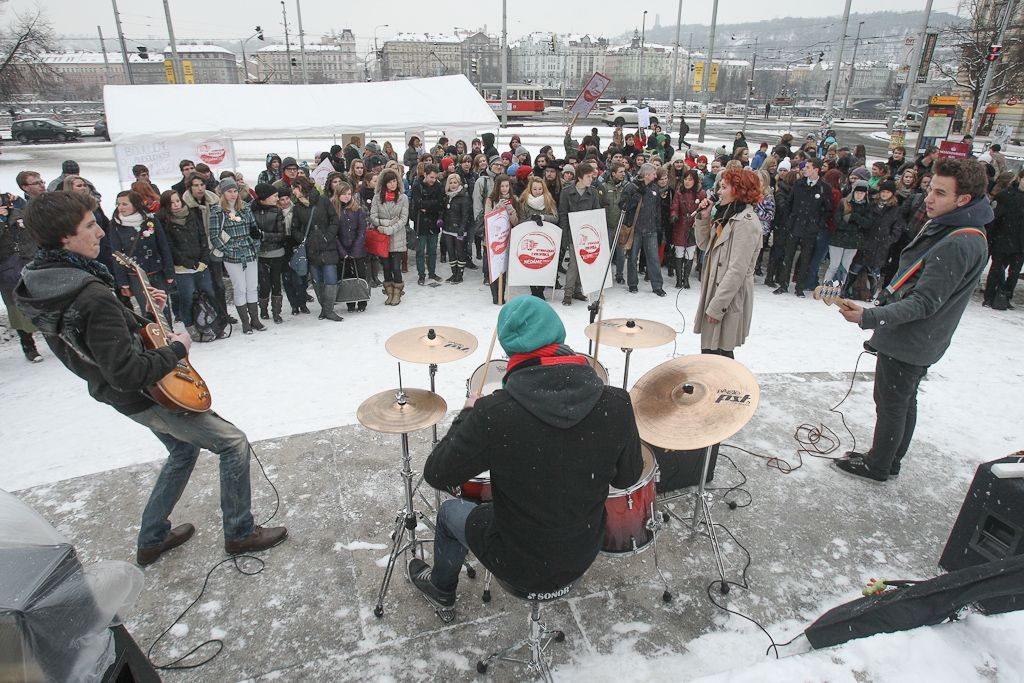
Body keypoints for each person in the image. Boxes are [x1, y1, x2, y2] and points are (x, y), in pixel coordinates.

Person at [15, 191, 287, 564]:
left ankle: (152, 536)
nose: (100, 233)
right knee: (233, 444)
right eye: (91, 225)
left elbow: (99, 340)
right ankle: (240, 532)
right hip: (148, 394)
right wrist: (176, 350)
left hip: (115, 392)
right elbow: (127, 371)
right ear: (65, 237)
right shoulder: (89, 292)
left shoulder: (46, 280)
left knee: (183, 449)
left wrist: (141, 317)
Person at [408, 295, 644, 617]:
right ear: (558, 336)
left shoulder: (494, 414)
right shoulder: (616, 403)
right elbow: (628, 477)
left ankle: (441, 587)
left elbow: (437, 473)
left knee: (450, 513)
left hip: (518, 562)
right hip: (584, 549)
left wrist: (467, 415)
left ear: (509, 352)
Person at [834, 158, 991, 482]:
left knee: (892, 403)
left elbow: (924, 302)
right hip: (922, 339)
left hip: (912, 339)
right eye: (930, 189)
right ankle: (889, 459)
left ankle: (878, 464)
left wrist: (870, 316)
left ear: (963, 200)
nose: (928, 198)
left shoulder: (960, 240)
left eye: (940, 193)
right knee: (903, 400)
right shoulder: (959, 227)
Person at [692, 169, 763, 357]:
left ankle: (724, 387)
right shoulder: (727, 214)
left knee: (720, 354)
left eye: (724, 187)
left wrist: (717, 307)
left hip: (728, 298)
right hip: (716, 290)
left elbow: (737, 270)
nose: (719, 192)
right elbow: (704, 244)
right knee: (710, 350)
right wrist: (704, 218)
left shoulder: (746, 222)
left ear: (739, 190)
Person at [155, 189, 219, 339]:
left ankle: (211, 322)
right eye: (171, 203)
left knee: (209, 293)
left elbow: (202, 236)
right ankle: (191, 326)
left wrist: (204, 259)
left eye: (177, 201)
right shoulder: (164, 222)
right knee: (187, 298)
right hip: (182, 268)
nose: (176, 205)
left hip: (200, 264)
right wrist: (189, 263)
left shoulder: (191, 214)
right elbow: (170, 247)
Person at [108, 190, 175, 327]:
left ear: (135, 204)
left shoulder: (150, 220)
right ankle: (155, 337)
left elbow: (163, 246)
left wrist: (169, 271)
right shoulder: (116, 225)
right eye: (118, 204)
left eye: (125, 204)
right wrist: (123, 282)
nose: (121, 207)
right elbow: (116, 254)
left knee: (163, 307)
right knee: (147, 310)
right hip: (136, 275)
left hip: (156, 271)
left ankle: (169, 335)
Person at [210, 178, 264, 333]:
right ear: (222, 193)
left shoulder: (245, 208)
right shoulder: (217, 211)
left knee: (252, 287)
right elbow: (214, 235)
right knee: (240, 288)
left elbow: (254, 229)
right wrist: (227, 250)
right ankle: (245, 322)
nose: (233, 195)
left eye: (235, 191)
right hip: (233, 253)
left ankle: (255, 319)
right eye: (229, 191)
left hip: (249, 251)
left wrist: (256, 245)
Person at [774, 158, 833, 297]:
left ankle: (799, 287)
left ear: (816, 170)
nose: (804, 169)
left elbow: (827, 210)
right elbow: (789, 204)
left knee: (805, 259)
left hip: (810, 229)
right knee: (787, 257)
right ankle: (783, 284)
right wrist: (790, 221)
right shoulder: (799, 184)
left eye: (808, 167)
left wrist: (817, 224)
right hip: (795, 226)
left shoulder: (824, 188)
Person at [181, 172, 232, 323]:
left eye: (202, 185)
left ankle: (223, 315)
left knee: (218, 284)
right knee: (201, 288)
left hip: (213, 245)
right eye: (196, 185)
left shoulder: (213, 200)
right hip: (195, 251)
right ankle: (206, 317)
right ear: (190, 187)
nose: (200, 188)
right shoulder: (185, 204)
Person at [290, 175, 342, 321]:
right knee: (317, 280)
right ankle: (324, 309)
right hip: (311, 249)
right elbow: (295, 229)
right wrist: (305, 240)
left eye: (294, 188)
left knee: (331, 278)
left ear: (301, 187)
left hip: (327, 246)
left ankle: (329, 310)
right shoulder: (298, 207)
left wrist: (327, 236)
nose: (293, 192)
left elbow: (334, 220)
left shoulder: (323, 200)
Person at [0, 190, 42, 361]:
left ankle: (56, 340)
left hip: (30, 266)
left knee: (42, 305)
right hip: (7, 272)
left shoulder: (21, 215)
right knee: (16, 309)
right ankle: (28, 346)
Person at [557, 162, 602, 304]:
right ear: (580, 178)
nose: (591, 179)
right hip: (573, 233)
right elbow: (562, 213)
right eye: (588, 176)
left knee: (584, 264)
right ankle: (568, 292)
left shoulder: (593, 192)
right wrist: (566, 232)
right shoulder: (566, 192)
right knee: (574, 264)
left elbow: (596, 212)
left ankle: (577, 290)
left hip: (588, 235)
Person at [619, 163, 666, 297]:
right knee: (632, 258)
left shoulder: (655, 188)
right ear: (646, 174)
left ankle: (657, 285)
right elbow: (623, 206)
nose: (656, 176)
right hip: (635, 229)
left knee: (654, 259)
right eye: (654, 174)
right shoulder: (631, 187)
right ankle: (633, 284)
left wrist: (658, 228)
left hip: (651, 230)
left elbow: (658, 210)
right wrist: (637, 194)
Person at [983, 169, 1023, 308]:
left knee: (1014, 273)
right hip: (1003, 238)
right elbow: (996, 219)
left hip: (1020, 242)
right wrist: (992, 238)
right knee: (996, 269)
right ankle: (989, 297)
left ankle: (1005, 296)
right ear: (1019, 179)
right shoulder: (1005, 196)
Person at [250, 183, 288, 324]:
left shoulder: (277, 212)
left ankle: (277, 312)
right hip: (260, 254)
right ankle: (263, 309)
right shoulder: (251, 211)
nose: (277, 199)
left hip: (276, 252)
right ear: (265, 197)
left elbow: (281, 234)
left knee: (276, 283)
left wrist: (263, 235)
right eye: (275, 196)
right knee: (264, 285)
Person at [370, 169, 409, 306]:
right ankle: (389, 292)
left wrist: (389, 229)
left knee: (396, 267)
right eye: (389, 182)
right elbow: (373, 216)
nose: (392, 184)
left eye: (394, 181)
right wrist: (387, 224)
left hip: (397, 236)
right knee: (386, 267)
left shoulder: (403, 198)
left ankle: (397, 292)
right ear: (384, 184)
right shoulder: (376, 198)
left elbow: (403, 219)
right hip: (383, 239)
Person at [822, 180, 871, 287]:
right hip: (838, 239)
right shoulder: (844, 202)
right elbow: (838, 221)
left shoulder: (867, 207)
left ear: (865, 194)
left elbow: (867, 223)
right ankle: (825, 285)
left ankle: (839, 287)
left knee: (845, 266)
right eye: (857, 192)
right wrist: (854, 226)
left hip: (854, 241)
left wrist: (854, 217)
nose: (859, 195)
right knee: (834, 265)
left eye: (861, 193)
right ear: (853, 192)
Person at [519, 176, 559, 299]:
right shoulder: (524, 202)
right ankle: (534, 290)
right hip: (530, 239)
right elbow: (521, 220)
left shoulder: (548, 200)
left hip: (545, 239)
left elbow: (555, 217)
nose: (537, 191)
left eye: (540, 189)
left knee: (543, 263)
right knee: (531, 264)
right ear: (530, 189)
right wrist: (530, 220)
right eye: (535, 189)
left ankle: (540, 290)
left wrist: (542, 217)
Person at [333, 181, 369, 313]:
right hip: (342, 249)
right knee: (347, 276)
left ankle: (362, 300)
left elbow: (361, 230)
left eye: (349, 194)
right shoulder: (334, 209)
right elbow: (334, 233)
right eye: (344, 194)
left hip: (357, 249)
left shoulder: (357, 209)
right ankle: (350, 301)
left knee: (360, 274)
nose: (347, 197)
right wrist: (343, 251)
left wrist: (355, 248)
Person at [484, 174, 519, 303]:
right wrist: (498, 207)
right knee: (495, 267)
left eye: (506, 186)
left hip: (509, 238)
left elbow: (516, 222)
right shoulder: (491, 199)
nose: (504, 189)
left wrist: (511, 211)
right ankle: (496, 296)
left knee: (504, 268)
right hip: (494, 239)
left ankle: (502, 294)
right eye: (502, 186)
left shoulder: (514, 199)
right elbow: (487, 218)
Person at [669, 169, 705, 289]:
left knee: (690, 252)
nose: (687, 182)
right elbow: (675, 205)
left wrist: (698, 220)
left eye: (690, 179)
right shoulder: (679, 192)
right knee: (679, 251)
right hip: (681, 225)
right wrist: (674, 215)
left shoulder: (701, 194)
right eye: (685, 179)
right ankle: (679, 279)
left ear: (695, 181)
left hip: (693, 226)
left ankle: (686, 279)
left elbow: (704, 211)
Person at [597, 161, 629, 285]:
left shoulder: (626, 186)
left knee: (621, 253)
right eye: (620, 172)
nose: (623, 174)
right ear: (613, 173)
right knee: (607, 252)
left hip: (620, 225)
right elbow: (599, 205)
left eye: (624, 172)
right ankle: (605, 274)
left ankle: (619, 274)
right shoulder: (604, 187)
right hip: (608, 225)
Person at [441, 173, 473, 287]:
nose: (453, 185)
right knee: (451, 252)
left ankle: (460, 275)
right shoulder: (447, 196)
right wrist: (441, 219)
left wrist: (462, 228)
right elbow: (444, 211)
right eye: (450, 182)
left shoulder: (464, 197)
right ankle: (453, 273)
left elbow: (466, 215)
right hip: (447, 229)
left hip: (459, 229)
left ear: (459, 183)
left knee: (460, 252)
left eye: (455, 182)